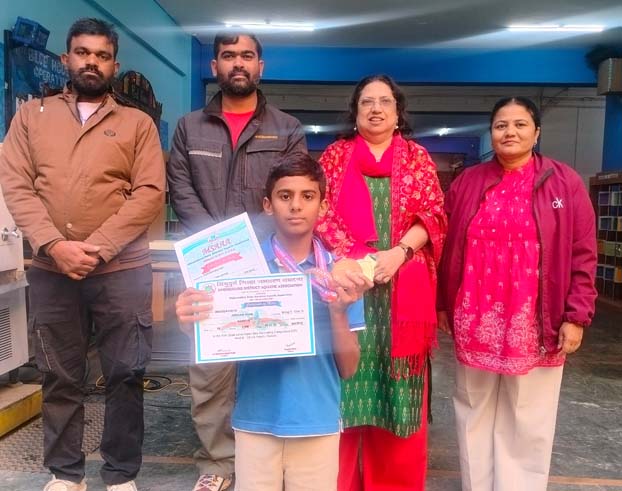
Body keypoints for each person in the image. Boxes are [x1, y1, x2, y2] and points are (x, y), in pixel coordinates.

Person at [0, 18, 165, 491]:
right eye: (83, 53)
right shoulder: (33, 117)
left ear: (115, 64)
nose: (92, 62)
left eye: (102, 55)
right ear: (66, 59)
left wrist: (100, 248)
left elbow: (150, 192)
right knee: (58, 373)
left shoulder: (137, 124)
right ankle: (65, 474)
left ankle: (120, 475)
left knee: (126, 372)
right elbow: (17, 184)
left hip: (122, 270)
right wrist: (54, 245)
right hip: (52, 270)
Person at [175, 154, 372, 490]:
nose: (296, 205)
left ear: (323, 207)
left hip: (317, 422)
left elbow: (349, 367)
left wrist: (338, 312)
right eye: (284, 196)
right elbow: (214, 343)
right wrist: (192, 323)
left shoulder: (340, 276)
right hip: (254, 421)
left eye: (307, 196)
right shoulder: (241, 271)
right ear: (268, 205)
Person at [166, 31, 307, 491]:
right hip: (206, 270)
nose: (238, 63)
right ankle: (217, 464)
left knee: (268, 367)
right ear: (215, 67)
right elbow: (180, 188)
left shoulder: (287, 129)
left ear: (260, 66)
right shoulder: (189, 128)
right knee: (210, 371)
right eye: (228, 56)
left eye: (247, 56)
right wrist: (218, 247)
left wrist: (247, 248)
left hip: (268, 267)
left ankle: (267, 462)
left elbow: (291, 193)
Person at [437, 96, 597, 490]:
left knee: (528, 415)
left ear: (536, 132)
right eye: (501, 125)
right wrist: (442, 303)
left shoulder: (564, 182)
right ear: (491, 133)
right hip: (475, 315)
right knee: (473, 408)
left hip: (536, 318)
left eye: (520, 124)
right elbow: (445, 244)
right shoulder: (468, 182)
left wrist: (576, 315)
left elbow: (582, 251)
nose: (510, 132)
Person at [315, 74, 447, 490]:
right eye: (366, 101)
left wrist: (398, 253)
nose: (375, 108)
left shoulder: (417, 157)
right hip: (348, 285)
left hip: (401, 290)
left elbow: (434, 214)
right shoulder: (335, 156)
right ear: (355, 112)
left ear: (397, 112)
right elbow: (318, 210)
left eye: (385, 101)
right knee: (343, 389)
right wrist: (354, 258)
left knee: (397, 397)